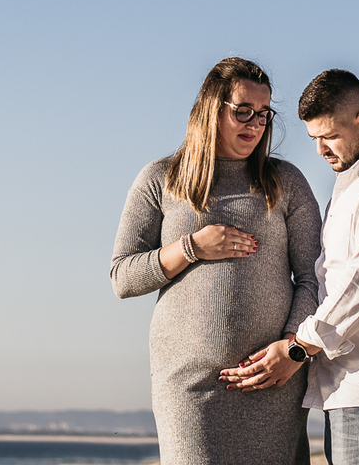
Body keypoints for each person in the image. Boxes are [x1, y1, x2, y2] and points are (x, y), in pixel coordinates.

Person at [220, 69, 359, 465]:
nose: (321, 149)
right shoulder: (355, 184)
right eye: (314, 139)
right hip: (350, 393)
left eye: (330, 136)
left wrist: (295, 349)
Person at [110, 57, 323, 465]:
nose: (255, 123)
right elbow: (122, 277)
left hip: (271, 380)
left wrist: (291, 349)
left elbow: (315, 278)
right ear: (212, 108)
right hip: (189, 387)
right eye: (243, 110)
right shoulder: (162, 179)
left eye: (263, 114)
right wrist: (191, 247)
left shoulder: (285, 181)